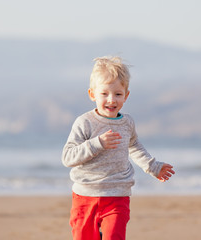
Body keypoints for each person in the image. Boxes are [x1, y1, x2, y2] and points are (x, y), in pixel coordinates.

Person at [62, 56, 175, 240]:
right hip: (85, 196)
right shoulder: (85, 123)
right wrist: (97, 143)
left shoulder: (126, 123)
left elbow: (135, 146)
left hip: (117, 195)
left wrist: (153, 166)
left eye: (118, 94)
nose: (111, 100)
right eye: (104, 94)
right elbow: (68, 157)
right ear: (92, 94)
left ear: (126, 95)